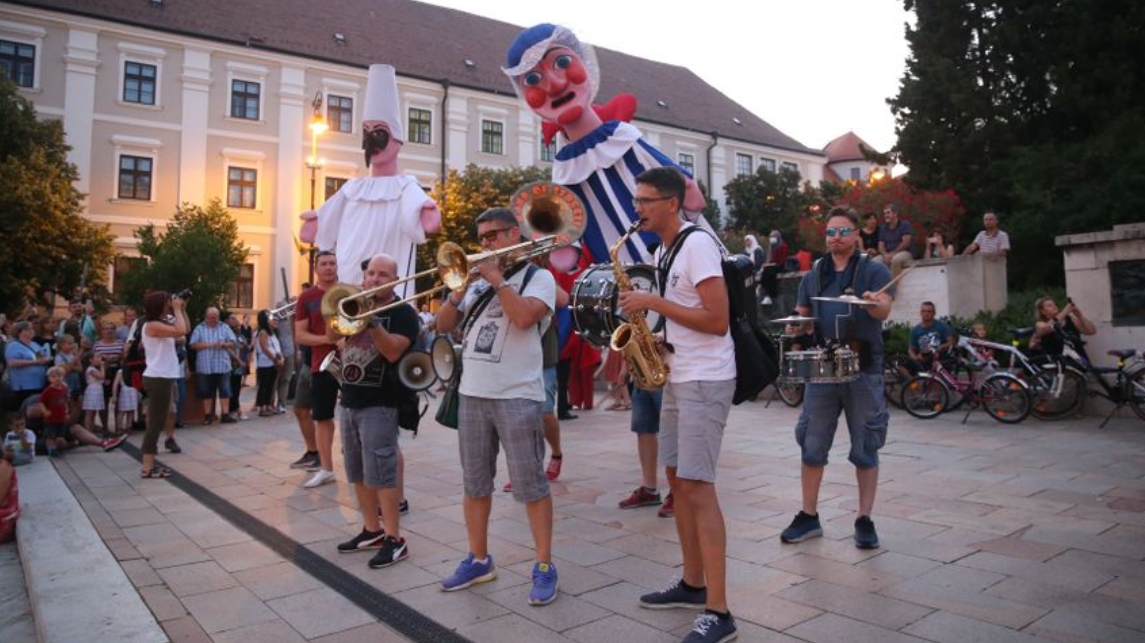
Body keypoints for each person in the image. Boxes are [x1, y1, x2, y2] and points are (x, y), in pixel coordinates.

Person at [617, 167, 737, 643]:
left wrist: (654, 303)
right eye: (636, 201)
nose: (638, 209)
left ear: (671, 202)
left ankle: (720, 610)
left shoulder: (698, 245)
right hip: (678, 374)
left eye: (645, 201)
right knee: (675, 479)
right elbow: (689, 317)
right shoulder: (663, 249)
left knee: (698, 486)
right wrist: (656, 340)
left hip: (706, 380)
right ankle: (692, 582)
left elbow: (717, 319)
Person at [502, 23, 713, 268]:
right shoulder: (564, 166)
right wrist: (563, 242)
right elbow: (567, 234)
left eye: (561, 63)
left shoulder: (619, 134)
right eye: (533, 79)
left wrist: (683, 188)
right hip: (623, 273)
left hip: (677, 251)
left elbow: (679, 183)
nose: (555, 84)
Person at [434, 206, 559, 606]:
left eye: (493, 236)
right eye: (482, 238)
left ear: (514, 235)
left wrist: (497, 280)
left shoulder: (539, 278)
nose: (485, 244)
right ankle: (478, 558)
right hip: (473, 393)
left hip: (518, 395)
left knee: (531, 486)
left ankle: (543, 565)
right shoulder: (472, 283)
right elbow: (441, 326)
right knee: (475, 483)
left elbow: (524, 319)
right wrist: (456, 293)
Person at [781, 206, 894, 552]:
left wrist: (874, 303)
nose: (836, 238)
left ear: (857, 235)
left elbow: (884, 309)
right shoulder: (814, 274)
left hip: (863, 366)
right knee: (812, 443)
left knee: (866, 445)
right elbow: (803, 318)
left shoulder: (874, 270)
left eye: (843, 231)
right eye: (831, 232)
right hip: (823, 369)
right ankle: (808, 515)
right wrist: (795, 327)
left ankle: (864, 518)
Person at [302, 64, 440, 291]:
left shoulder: (405, 185)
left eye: (379, 132)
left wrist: (425, 209)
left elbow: (423, 216)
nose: (372, 141)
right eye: (367, 132)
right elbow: (329, 215)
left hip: (390, 270)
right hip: (349, 274)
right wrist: (318, 219)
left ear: (396, 140)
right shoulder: (354, 187)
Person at [330, 254, 419, 568]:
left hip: (382, 402)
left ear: (395, 279)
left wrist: (372, 321)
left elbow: (394, 351)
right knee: (357, 471)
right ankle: (371, 530)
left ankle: (395, 539)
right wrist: (345, 309)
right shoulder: (353, 303)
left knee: (382, 473)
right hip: (351, 399)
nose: (374, 279)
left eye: (383, 275)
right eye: (370, 273)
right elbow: (331, 335)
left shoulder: (404, 313)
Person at [295, 251, 341, 488]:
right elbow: (300, 335)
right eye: (323, 263)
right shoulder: (307, 297)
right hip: (322, 364)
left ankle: (361, 465)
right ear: (316, 268)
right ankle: (326, 468)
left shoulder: (347, 291)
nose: (328, 267)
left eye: (332, 263)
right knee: (323, 416)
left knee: (359, 414)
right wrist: (330, 339)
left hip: (354, 362)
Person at [140, 291, 190, 478]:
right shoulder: (151, 325)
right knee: (155, 423)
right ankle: (147, 467)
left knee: (158, 420)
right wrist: (177, 309)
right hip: (158, 377)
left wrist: (182, 310)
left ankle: (149, 465)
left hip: (164, 376)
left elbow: (185, 328)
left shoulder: (162, 323)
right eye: (167, 302)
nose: (170, 303)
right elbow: (180, 331)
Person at [617, 386, 674, 518]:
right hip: (641, 379)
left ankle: (678, 493)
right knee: (643, 428)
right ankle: (649, 490)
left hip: (668, 378)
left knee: (672, 431)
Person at [189, 307, 237, 425]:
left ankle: (225, 414)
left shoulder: (224, 327)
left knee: (225, 390)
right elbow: (193, 345)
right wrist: (210, 345)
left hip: (222, 365)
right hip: (205, 366)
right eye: (210, 318)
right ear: (206, 317)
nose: (212, 320)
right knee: (206, 391)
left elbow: (233, 342)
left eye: (215, 318)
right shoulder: (199, 328)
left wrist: (224, 344)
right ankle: (207, 415)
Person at [1030, 297, 1096, 366]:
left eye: (1055, 304)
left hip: (1077, 358)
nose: (1054, 307)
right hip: (1056, 363)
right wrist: (1066, 311)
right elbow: (1047, 328)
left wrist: (1080, 316)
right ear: (1042, 311)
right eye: (1049, 306)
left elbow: (1091, 331)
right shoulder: (1040, 324)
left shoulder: (1070, 319)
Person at [4, 321, 50, 413]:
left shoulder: (34, 344)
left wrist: (46, 359)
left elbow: (40, 359)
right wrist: (34, 362)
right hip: (24, 386)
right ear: (19, 332)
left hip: (39, 384)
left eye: (32, 328)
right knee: (25, 410)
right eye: (29, 329)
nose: (32, 331)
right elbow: (12, 363)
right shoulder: (13, 345)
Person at [905, 301, 954, 375]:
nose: (926, 314)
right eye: (924, 311)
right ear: (920, 313)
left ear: (934, 313)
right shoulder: (915, 330)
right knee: (901, 366)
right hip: (922, 359)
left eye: (929, 311)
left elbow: (951, 342)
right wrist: (915, 359)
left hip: (938, 359)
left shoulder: (942, 326)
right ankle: (914, 385)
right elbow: (911, 349)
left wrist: (940, 347)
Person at [253, 310, 283, 417]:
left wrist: (280, 358)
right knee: (264, 386)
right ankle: (262, 407)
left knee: (270, 385)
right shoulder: (263, 333)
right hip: (265, 363)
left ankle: (268, 405)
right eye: (270, 317)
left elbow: (275, 347)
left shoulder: (272, 333)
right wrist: (275, 360)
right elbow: (265, 348)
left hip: (273, 363)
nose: (274, 319)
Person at [40, 366, 70, 457]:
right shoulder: (48, 390)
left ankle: (57, 449)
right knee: (50, 435)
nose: (57, 378)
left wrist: (66, 410)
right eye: (54, 376)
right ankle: (51, 450)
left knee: (59, 435)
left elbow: (65, 400)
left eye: (59, 376)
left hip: (61, 417)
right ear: (49, 379)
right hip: (51, 419)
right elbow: (41, 402)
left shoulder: (64, 389)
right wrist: (45, 411)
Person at [876, 203, 914, 276]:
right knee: (874, 262)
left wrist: (893, 253)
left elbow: (906, 242)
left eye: (888, 213)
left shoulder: (904, 225)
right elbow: (880, 245)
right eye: (884, 213)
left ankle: (893, 286)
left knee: (895, 260)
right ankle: (880, 285)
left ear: (895, 214)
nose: (885, 215)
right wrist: (885, 255)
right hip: (887, 253)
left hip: (904, 252)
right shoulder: (883, 228)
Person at [81, 351, 106, 434]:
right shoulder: (91, 369)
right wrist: (102, 366)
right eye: (97, 357)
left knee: (94, 412)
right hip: (92, 390)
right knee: (89, 412)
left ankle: (91, 430)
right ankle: (87, 431)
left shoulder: (95, 368)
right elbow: (101, 376)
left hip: (97, 390)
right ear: (91, 360)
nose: (99, 359)